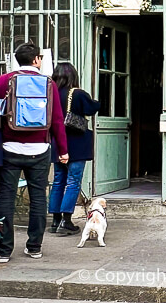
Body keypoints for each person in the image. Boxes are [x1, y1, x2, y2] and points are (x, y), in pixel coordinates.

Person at [0, 41, 68, 262]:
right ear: (37, 60)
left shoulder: (4, 81)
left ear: (16, 60)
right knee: (38, 198)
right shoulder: (49, 84)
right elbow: (57, 120)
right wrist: (63, 150)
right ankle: (34, 246)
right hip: (40, 150)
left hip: (10, 149)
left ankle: (5, 250)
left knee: (6, 199)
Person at [48, 62, 100, 235]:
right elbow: (92, 108)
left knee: (58, 181)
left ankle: (55, 221)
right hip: (76, 143)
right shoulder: (76, 93)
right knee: (73, 181)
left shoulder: (51, 94)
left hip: (58, 143)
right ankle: (66, 221)